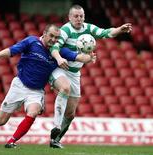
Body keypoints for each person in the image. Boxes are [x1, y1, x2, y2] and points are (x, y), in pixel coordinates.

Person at [0, 24, 95, 148]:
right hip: (19, 85)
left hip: (36, 91)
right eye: (51, 36)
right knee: (1, 121)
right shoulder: (31, 41)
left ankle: (11, 141)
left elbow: (77, 57)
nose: (53, 40)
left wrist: (88, 57)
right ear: (44, 33)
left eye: (56, 38)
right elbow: (13, 50)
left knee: (33, 112)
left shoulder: (59, 51)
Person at [49, 4, 132, 148]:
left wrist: (119, 29)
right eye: (76, 16)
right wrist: (59, 58)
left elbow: (105, 32)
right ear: (69, 17)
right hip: (60, 68)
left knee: (70, 114)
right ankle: (55, 125)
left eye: (81, 16)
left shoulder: (88, 28)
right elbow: (55, 47)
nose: (79, 19)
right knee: (65, 88)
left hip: (75, 74)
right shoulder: (65, 30)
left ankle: (55, 140)